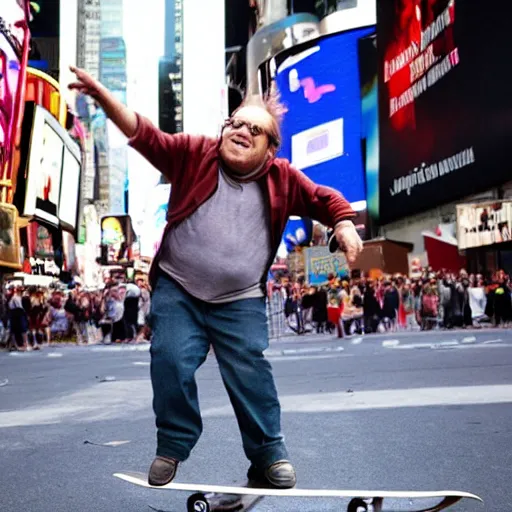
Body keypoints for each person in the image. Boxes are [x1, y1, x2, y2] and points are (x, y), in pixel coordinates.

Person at [69, 66, 363, 488]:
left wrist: (345, 224)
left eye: (254, 129)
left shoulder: (283, 179)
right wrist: (103, 98)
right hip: (178, 288)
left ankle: (267, 455)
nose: (241, 130)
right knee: (169, 358)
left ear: (270, 149)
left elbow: (326, 198)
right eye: (235, 122)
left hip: (239, 299)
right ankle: (172, 444)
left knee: (250, 372)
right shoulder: (194, 153)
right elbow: (146, 135)